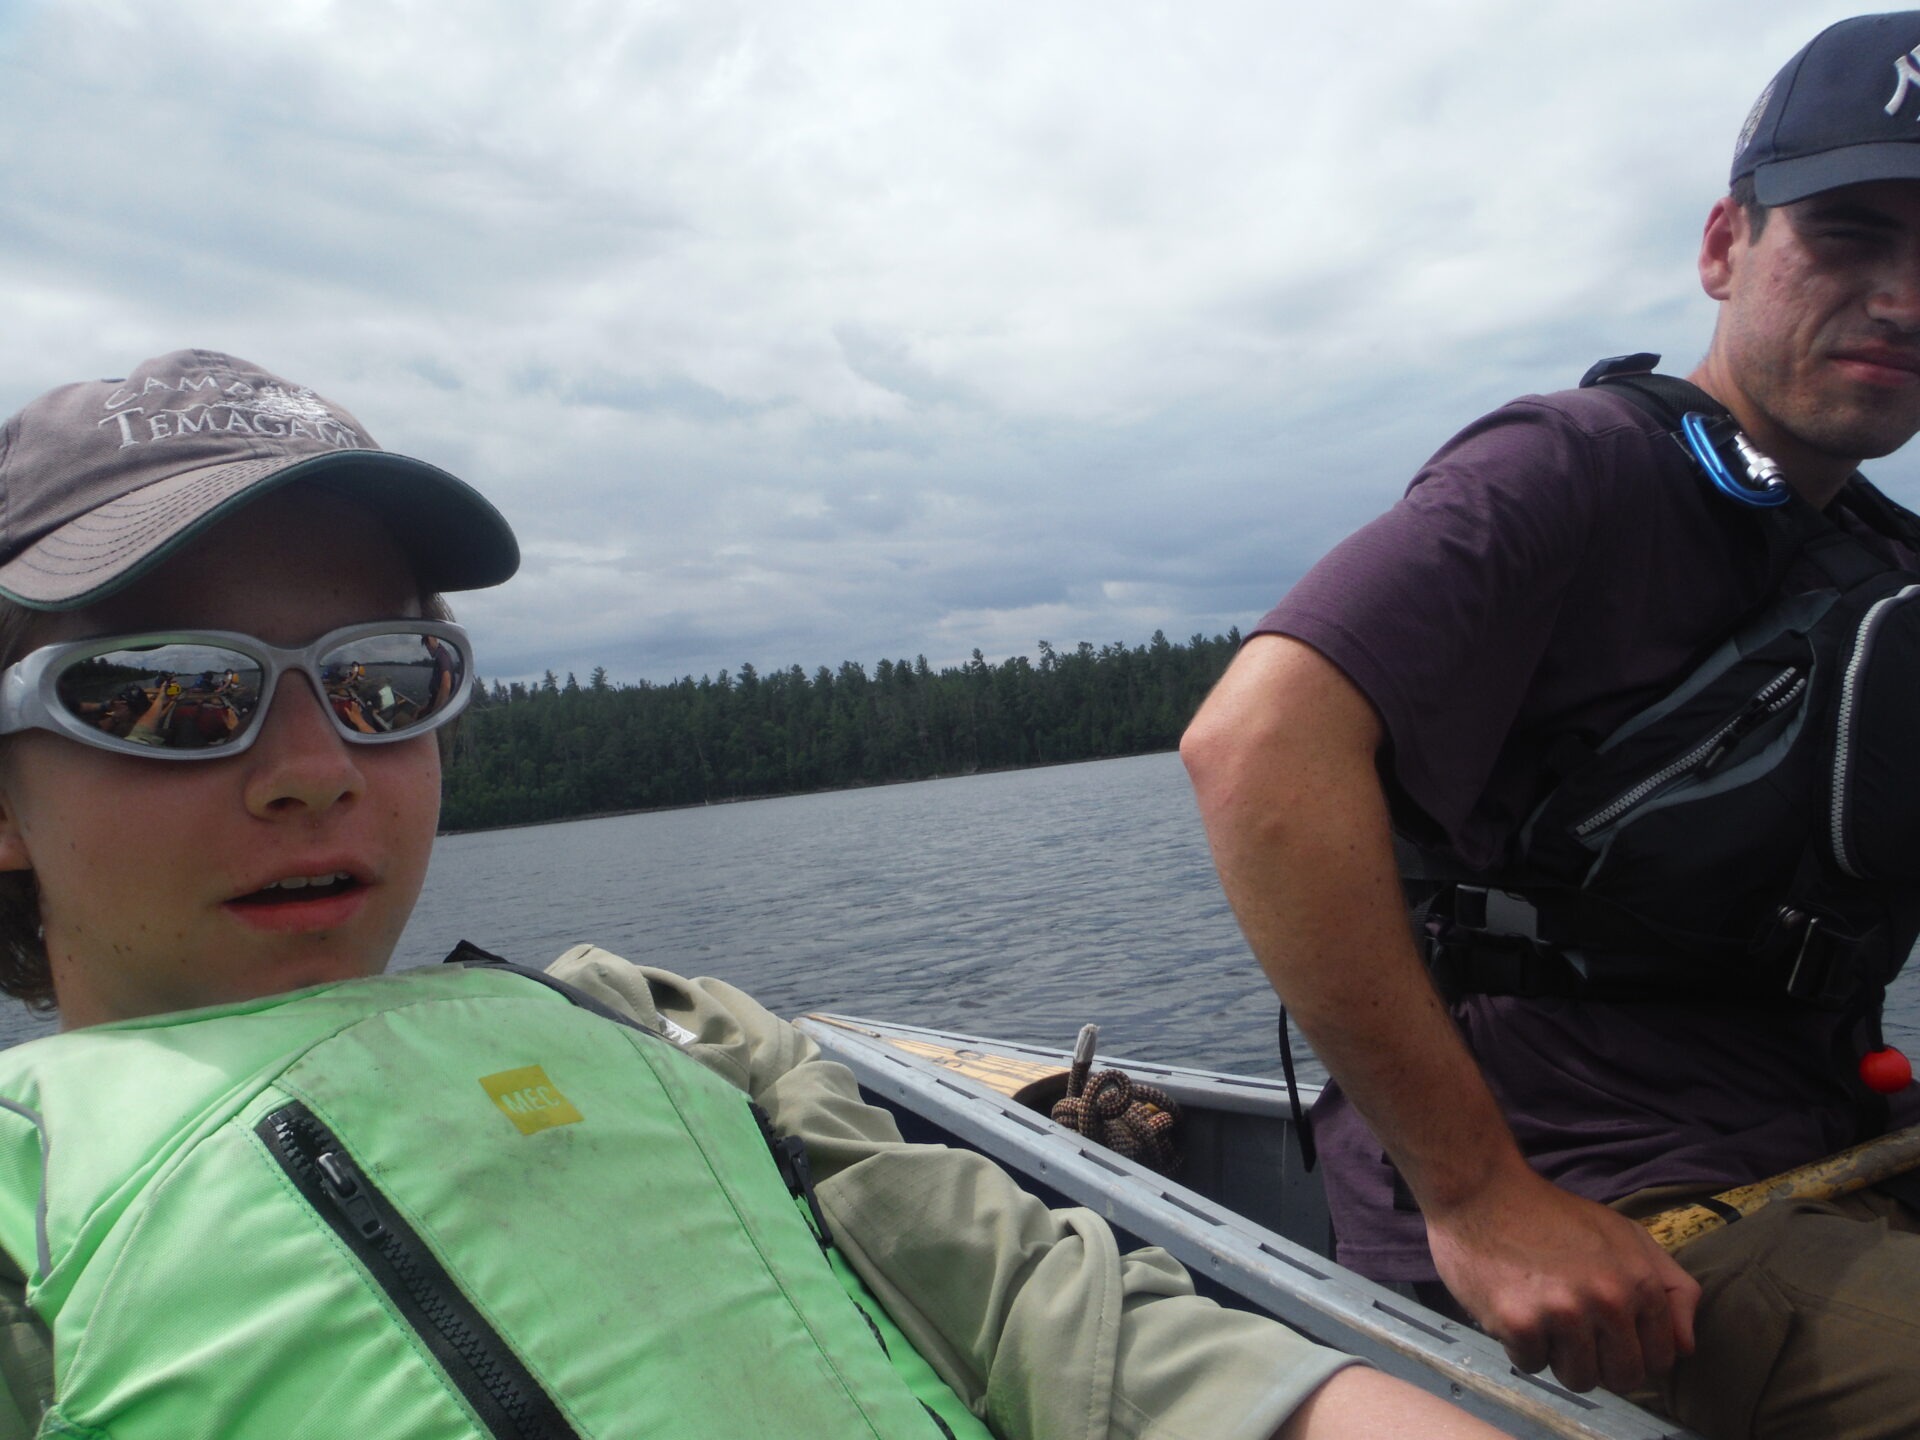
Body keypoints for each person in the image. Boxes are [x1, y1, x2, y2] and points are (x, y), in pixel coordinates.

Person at [0, 349, 1502, 1439]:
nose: (318, 766)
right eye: (175, 694)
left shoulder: (671, 1033)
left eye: (387, 680)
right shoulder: (25, 1213)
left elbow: (1033, 1301)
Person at [1183, 14, 1920, 1439]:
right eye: (1845, 234)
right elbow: (1256, 748)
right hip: (1603, 1206)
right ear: (1725, 247)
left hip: (1812, 1150)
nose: (1902, 295)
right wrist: (1483, 1200)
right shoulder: (1568, 472)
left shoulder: (1888, 573)